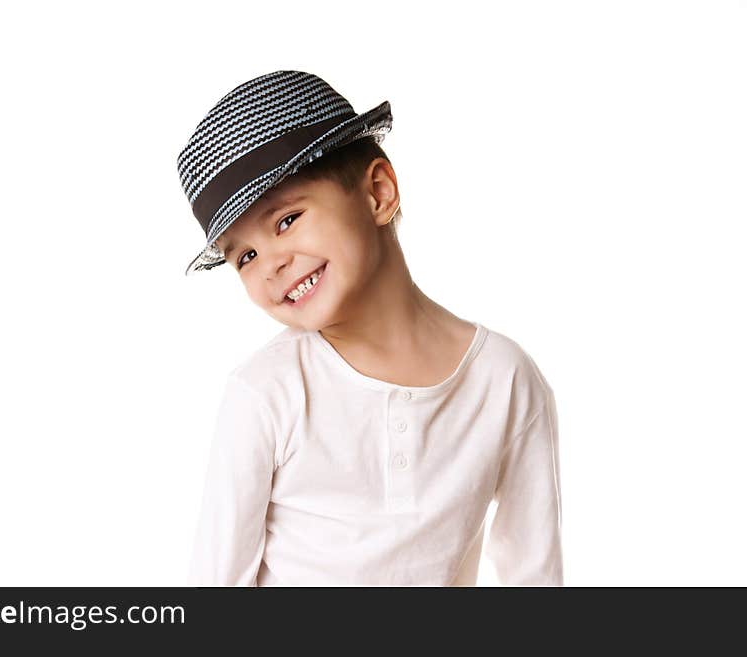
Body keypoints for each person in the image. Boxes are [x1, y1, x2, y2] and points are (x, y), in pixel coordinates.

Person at [176, 70, 563, 586]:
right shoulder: (267, 393)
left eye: (286, 220)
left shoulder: (505, 379)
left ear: (378, 192)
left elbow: (534, 576)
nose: (270, 264)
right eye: (244, 256)